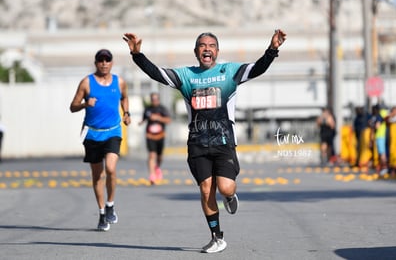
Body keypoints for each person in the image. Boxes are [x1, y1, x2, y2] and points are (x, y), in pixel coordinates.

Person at [123, 29, 286, 253]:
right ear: (196, 51)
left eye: (210, 45)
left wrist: (273, 49)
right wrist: (137, 55)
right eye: (202, 45)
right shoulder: (186, 76)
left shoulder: (229, 71)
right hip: (197, 143)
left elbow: (257, 68)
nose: (206, 48)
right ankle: (216, 237)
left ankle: (229, 196)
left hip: (224, 141)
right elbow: (157, 74)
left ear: (217, 51)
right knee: (206, 189)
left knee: (225, 187)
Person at [70, 49, 131, 231]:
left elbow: (125, 98)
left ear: (112, 63)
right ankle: (102, 212)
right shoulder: (86, 83)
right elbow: (72, 106)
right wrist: (84, 104)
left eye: (107, 60)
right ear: (96, 63)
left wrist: (126, 113)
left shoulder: (119, 82)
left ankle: (111, 203)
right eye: (100, 60)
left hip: (113, 131)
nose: (104, 63)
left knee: (111, 169)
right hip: (92, 134)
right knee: (98, 175)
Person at [139, 92, 171, 185]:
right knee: (152, 155)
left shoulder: (162, 109)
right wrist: (140, 122)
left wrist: (158, 118)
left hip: (160, 136)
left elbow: (168, 120)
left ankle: (157, 167)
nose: (154, 101)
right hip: (150, 136)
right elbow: (144, 118)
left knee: (159, 157)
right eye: (153, 99)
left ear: (158, 100)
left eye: (156, 99)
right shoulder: (147, 109)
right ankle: (152, 175)